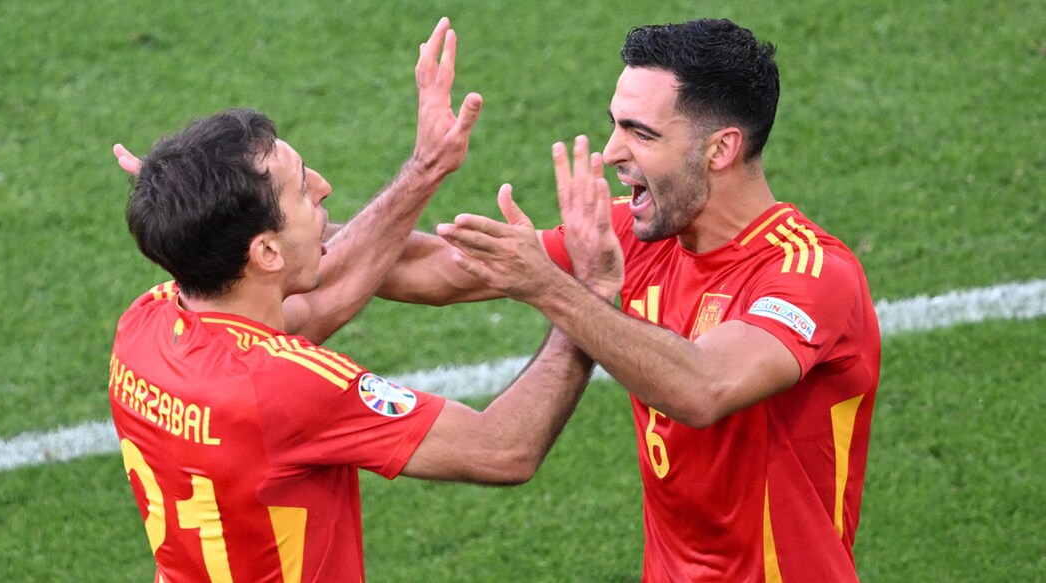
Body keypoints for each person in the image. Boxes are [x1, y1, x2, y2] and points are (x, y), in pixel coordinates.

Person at [108, 19, 617, 582]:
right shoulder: (289, 386)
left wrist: (428, 167)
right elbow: (503, 449)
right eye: (303, 188)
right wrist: (583, 298)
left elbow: (329, 294)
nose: (324, 186)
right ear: (267, 253)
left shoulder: (147, 322)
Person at [376, 18, 882, 582]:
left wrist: (552, 285)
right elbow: (427, 269)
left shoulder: (809, 273)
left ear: (720, 149)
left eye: (642, 134)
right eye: (615, 126)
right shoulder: (634, 239)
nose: (614, 152)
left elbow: (703, 387)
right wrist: (280, 233)